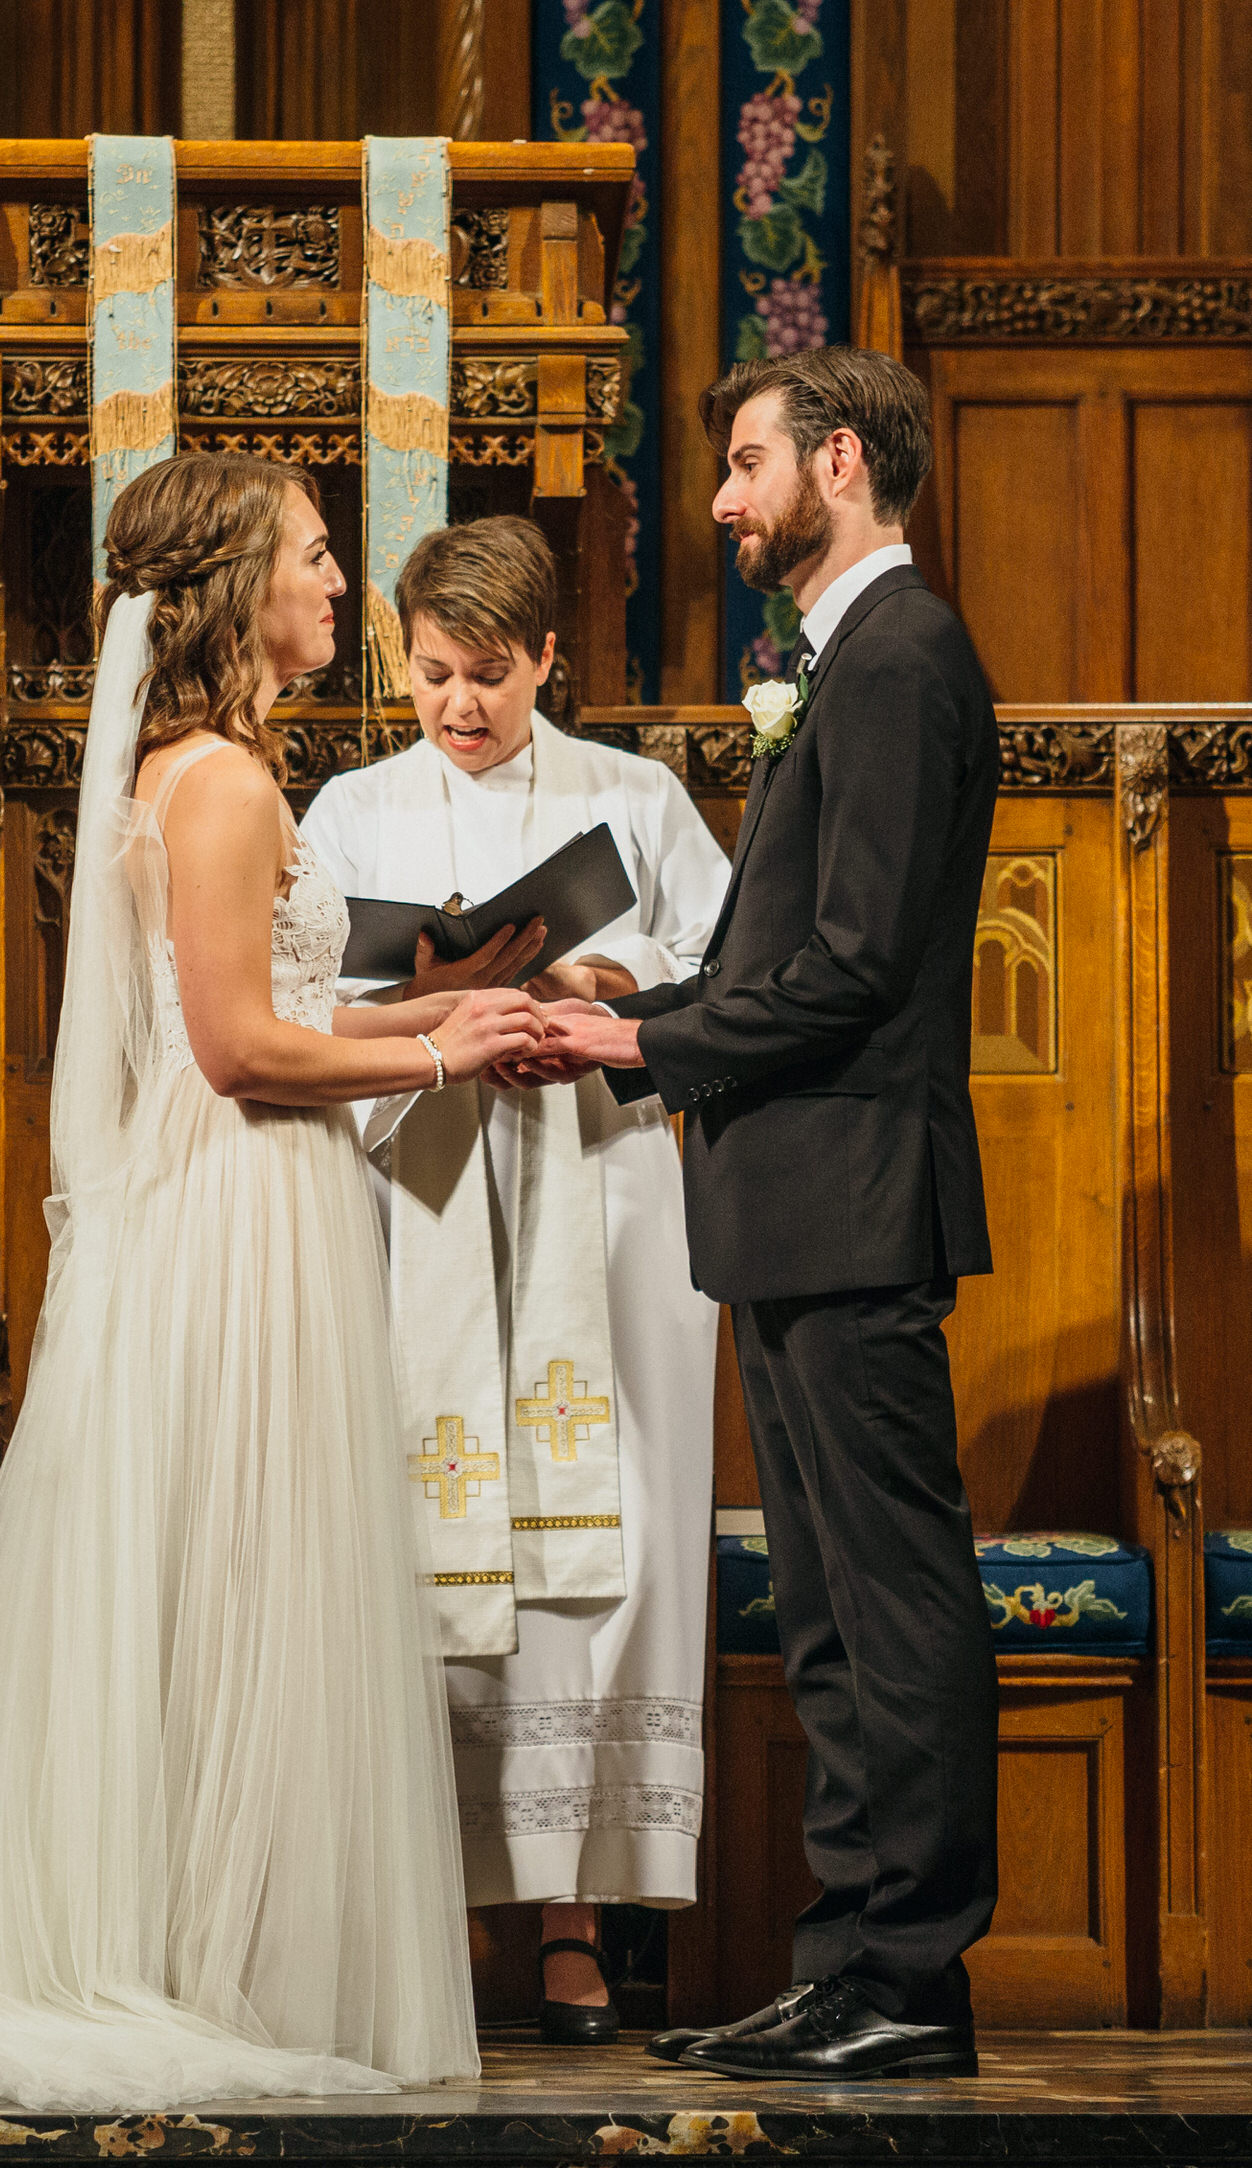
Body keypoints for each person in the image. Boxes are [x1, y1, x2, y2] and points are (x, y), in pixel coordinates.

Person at [0, 453, 547, 2108]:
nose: (343, 587)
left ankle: (218, 1950)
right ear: (233, 589)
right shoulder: (226, 789)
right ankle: (201, 1963)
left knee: (241, 1578)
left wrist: (448, 1024)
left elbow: (280, 1014)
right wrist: (440, 1033)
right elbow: (241, 1048)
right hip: (240, 1212)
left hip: (251, 1198)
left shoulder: (208, 768)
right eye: (316, 560)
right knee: (242, 1572)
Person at [535, 346, 1000, 2082]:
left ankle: (915, 1973)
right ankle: (847, 1958)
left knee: (893, 1598)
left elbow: (862, 963)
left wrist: (642, 1037)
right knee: (823, 1617)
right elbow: (786, 950)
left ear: (849, 463)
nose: (724, 502)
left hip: (857, 1197)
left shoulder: (899, 659)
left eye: (746, 465)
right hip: (792, 1204)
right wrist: (641, 991)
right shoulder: (846, 660)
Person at [301, 517, 728, 2043]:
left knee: (601, 1534)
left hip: (598, 1197)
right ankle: (426, 1909)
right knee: (420, 1532)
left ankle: (570, 1912)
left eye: (489, 675)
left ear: (551, 657)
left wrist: (596, 981)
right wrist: (436, 989)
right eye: (430, 673)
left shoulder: (637, 795)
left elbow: (723, 967)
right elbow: (307, 998)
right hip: (423, 1192)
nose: (458, 705)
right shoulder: (351, 809)